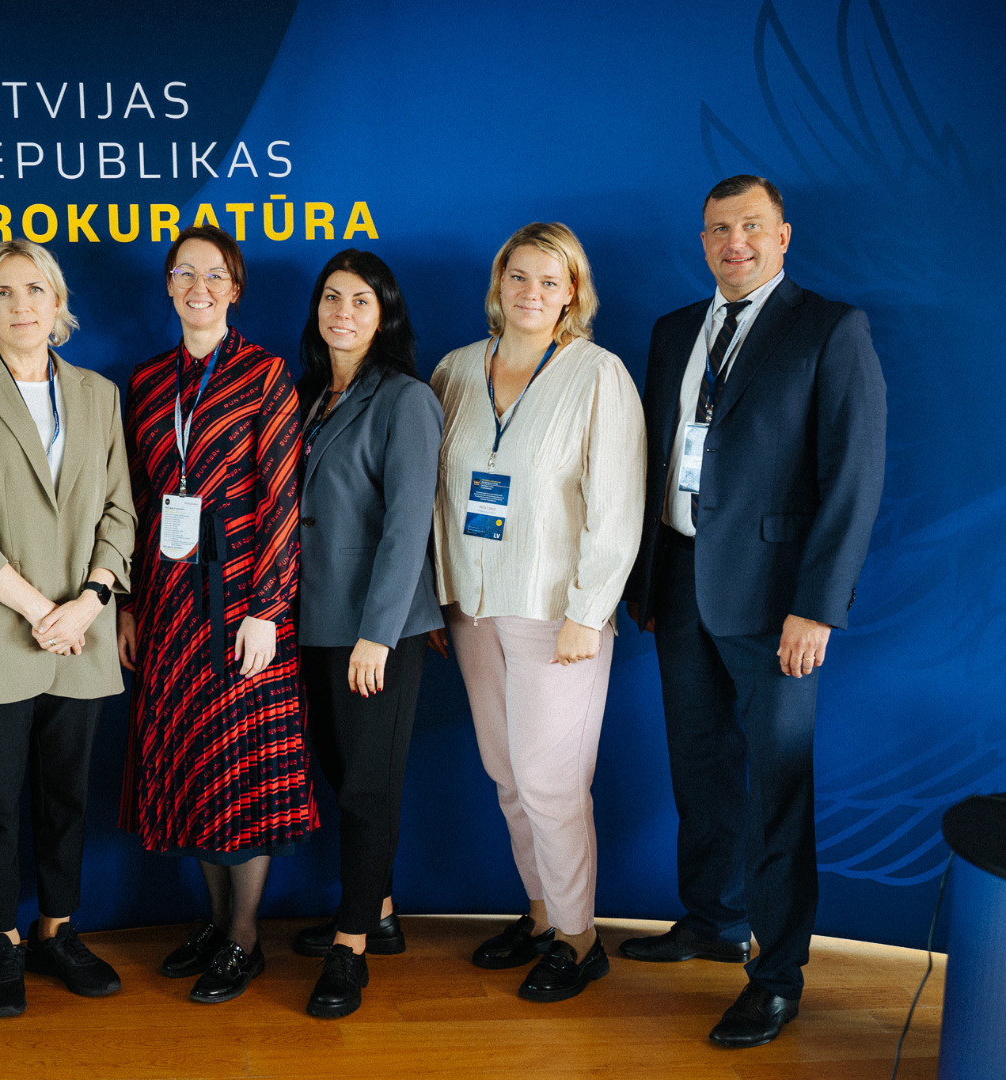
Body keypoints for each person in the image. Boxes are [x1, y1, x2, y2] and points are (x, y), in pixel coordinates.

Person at [621, 175, 886, 1047]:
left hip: (777, 606)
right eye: (716, 229)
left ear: (782, 236)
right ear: (701, 240)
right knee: (698, 771)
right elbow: (656, 460)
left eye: (749, 226)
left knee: (776, 789)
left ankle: (775, 976)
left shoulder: (830, 328)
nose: (732, 242)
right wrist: (645, 581)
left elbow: (852, 477)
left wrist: (817, 607)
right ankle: (711, 920)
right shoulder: (672, 332)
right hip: (678, 587)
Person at [432, 222, 645, 1004]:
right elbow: (433, 493)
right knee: (507, 778)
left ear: (572, 294)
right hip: (471, 609)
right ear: (498, 284)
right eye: (518, 277)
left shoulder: (597, 374)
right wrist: (436, 595)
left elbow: (616, 505)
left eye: (549, 281)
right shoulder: (455, 369)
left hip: (556, 613)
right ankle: (541, 915)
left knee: (551, 784)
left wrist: (589, 611)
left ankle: (579, 940)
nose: (531, 293)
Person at [0, 238, 134, 1019]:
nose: (21, 306)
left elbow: (121, 511)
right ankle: (0, 941)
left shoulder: (98, 394)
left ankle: (56, 931)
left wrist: (89, 601)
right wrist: (40, 611)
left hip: (83, 636)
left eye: (34, 290)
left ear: (58, 304)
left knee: (65, 798)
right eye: (4, 292)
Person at [118, 225, 317, 1004]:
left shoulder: (265, 375)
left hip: (241, 605)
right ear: (167, 286)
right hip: (168, 604)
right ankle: (212, 921)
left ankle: (243, 937)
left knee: (243, 766)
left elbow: (282, 498)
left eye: (213, 275)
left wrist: (267, 608)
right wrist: (129, 603)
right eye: (183, 273)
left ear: (235, 289)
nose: (197, 287)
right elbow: (136, 500)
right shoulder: (145, 382)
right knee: (197, 766)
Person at [288, 250, 443, 1018]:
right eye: (330, 297)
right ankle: (375, 913)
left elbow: (408, 526)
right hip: (313, 620)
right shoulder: (308, 395)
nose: (341, 312)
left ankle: (348, 951)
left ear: (384, 315)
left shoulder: (405, 399)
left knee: (367, 788)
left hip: (377, 630)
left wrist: (376, 636)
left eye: (359, 300)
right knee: (339, 773)